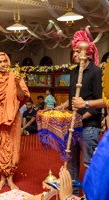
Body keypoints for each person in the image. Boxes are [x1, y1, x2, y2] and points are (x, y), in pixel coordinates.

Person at [57, 30, 102, 195]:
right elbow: (73, 98)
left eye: (78, 51)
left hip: (89, 126)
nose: (75, 55)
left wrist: (81, 117)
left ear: (88, 53)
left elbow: (100, 103)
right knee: (72, 163)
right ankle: (73, 194)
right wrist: (60, 108)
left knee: (89, 163)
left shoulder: (96, 72)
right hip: (73, 126)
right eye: (74, 51)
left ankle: (93, 195)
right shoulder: (74, 72)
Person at [0, 52, 30, 190]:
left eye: (4, 61)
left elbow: (21, 97)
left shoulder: (15, 76)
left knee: (12, 146)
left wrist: (17, 84)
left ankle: (11, 178)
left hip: (12, 118)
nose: (2, 64)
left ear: (8, 63)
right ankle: (2, 178)